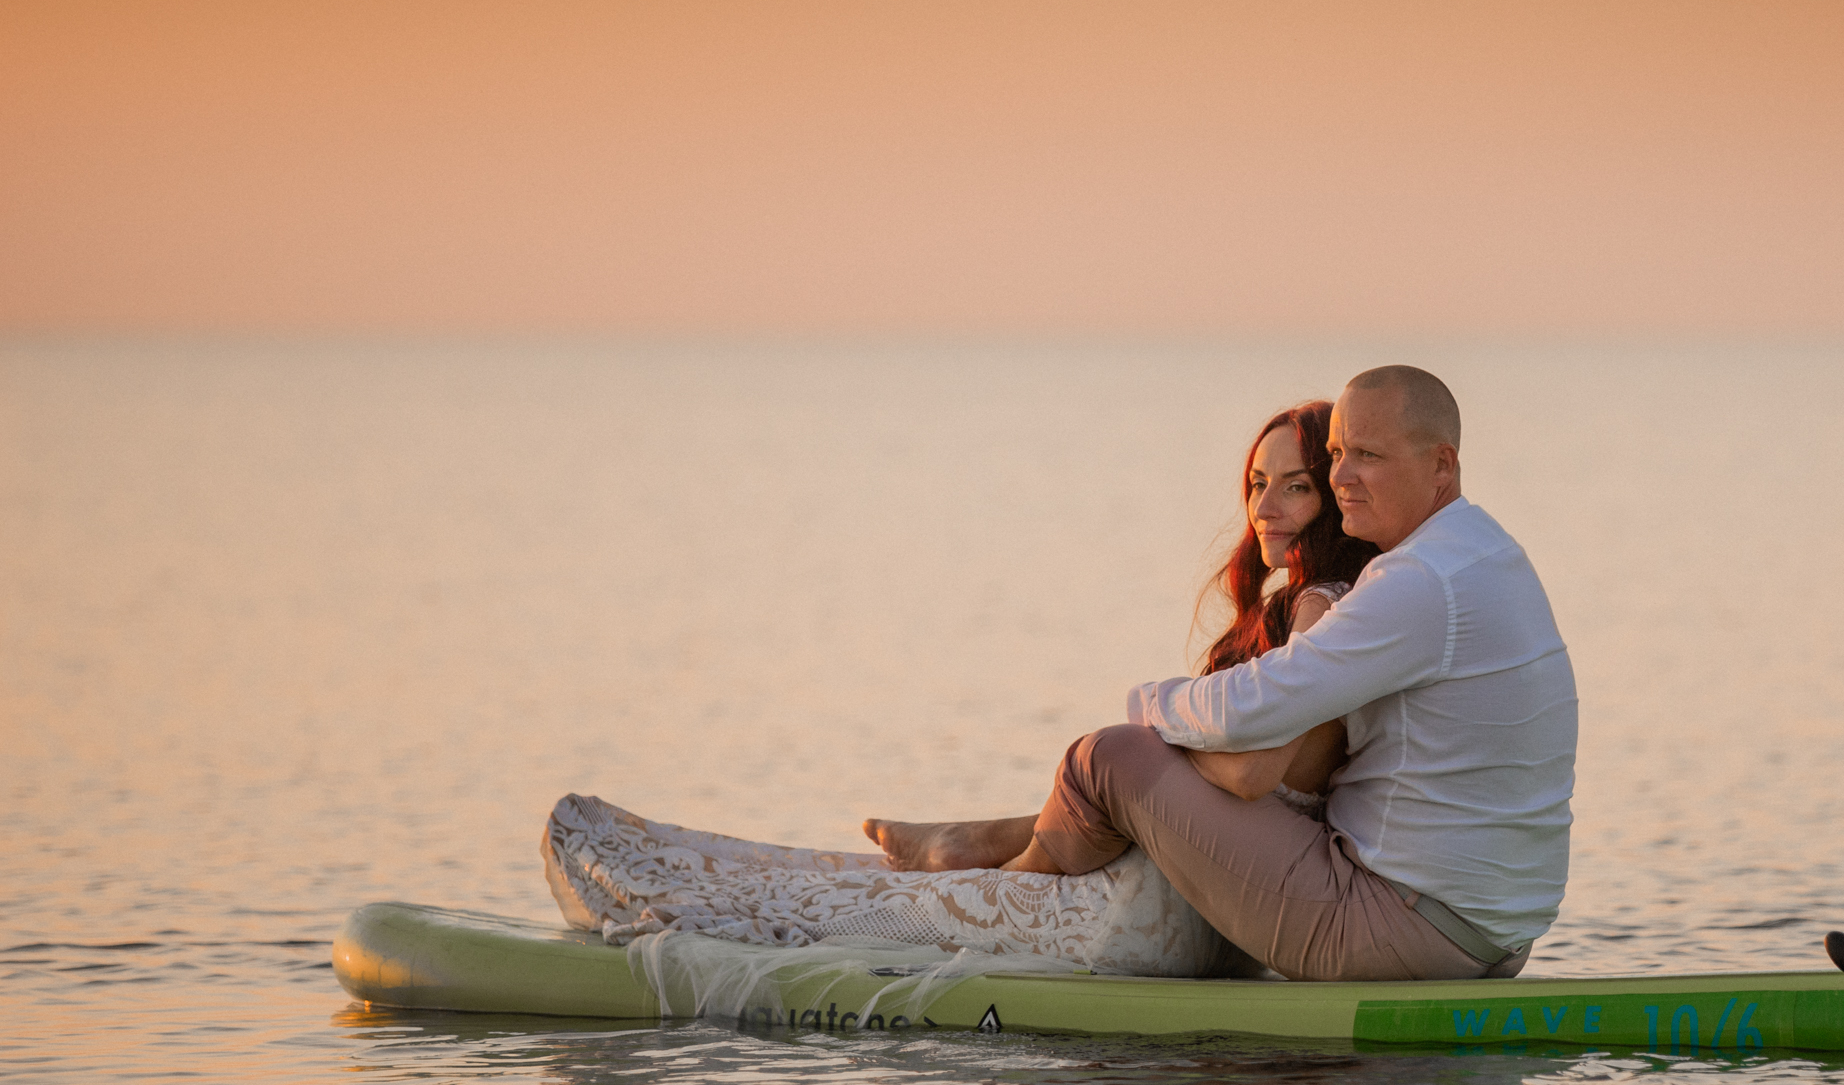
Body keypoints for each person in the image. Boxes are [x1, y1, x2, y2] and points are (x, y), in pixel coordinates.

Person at [542, 398, 1378, 977]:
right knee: (876, 887)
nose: (1265, 506)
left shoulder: (1318, 609)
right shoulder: (1344, 612)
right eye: (1257, 483)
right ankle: (969, 846)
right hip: (1209, 916)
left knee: (853, 907)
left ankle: (650, 891)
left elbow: (1253, 771)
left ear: (1335, 499)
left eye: (1294, 484)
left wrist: (1159, 723)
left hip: (1152, 918)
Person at [867, 365, 1579, 983]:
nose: (1342, 477)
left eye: (1368, 454)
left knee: (1110, 753)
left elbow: (1252, 728)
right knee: (1132, 766)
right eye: (1336, 454)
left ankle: (969, 927)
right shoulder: (1488, 553)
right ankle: (987, 863)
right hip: (1494, 936)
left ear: (1441, 465)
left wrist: (1149, 702)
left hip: (1404, 930)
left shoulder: (1417, 581)